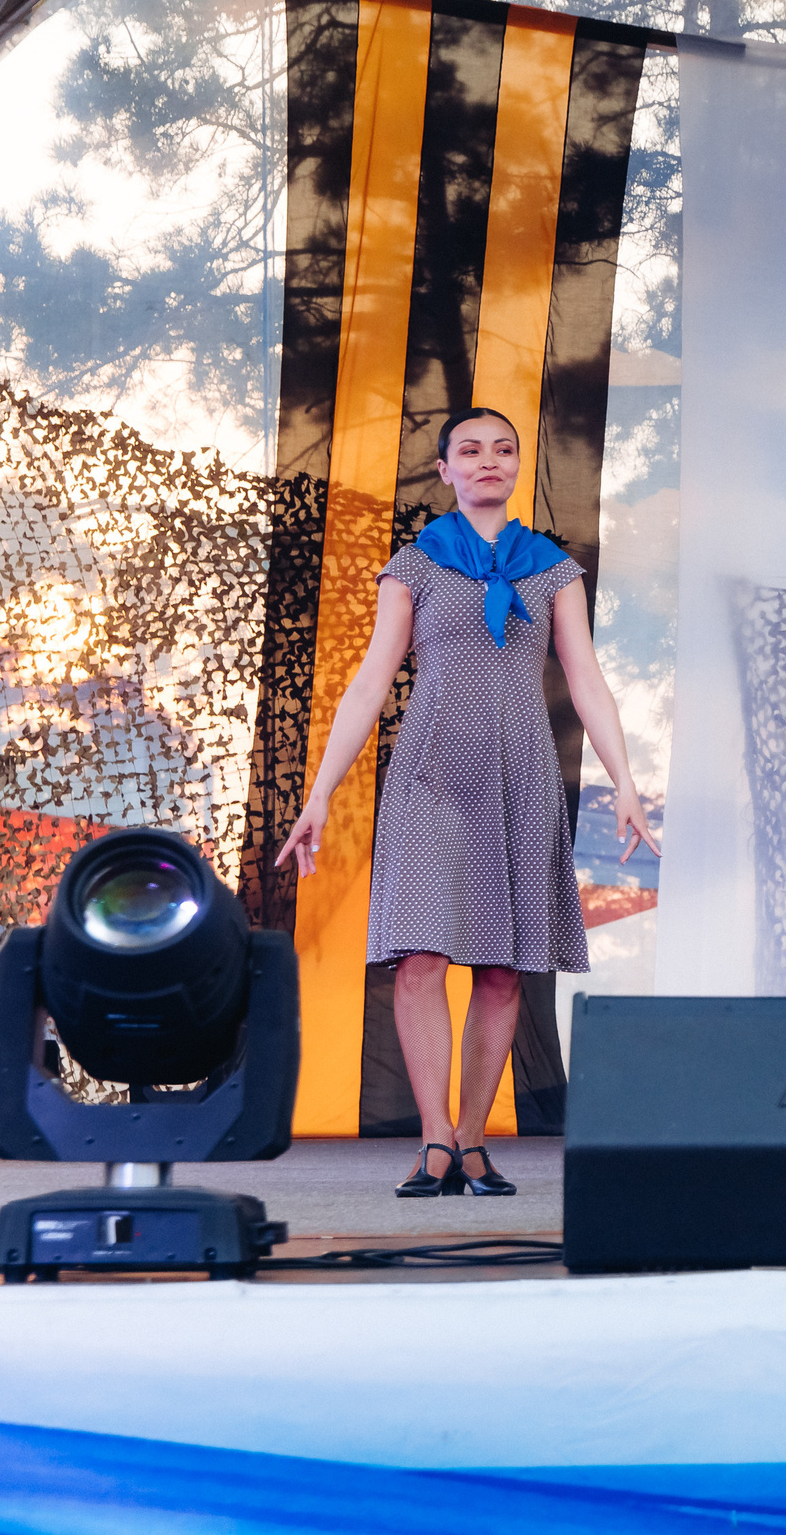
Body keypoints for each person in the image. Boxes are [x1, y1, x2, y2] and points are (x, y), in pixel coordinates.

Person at [278, 406, 661, 1198]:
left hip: (518, 775)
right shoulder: (416, 566)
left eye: (503, 450)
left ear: (518, 467)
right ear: (445, 470)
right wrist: (319, 794)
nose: (488, 461)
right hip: (432, 776)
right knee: (420, 957)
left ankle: (475, 1142)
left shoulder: (550, 569)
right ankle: (434, 1143)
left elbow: (586, 680)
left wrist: (624, 781)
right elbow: (369, 686)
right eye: (469, 450)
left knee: (502, 971)